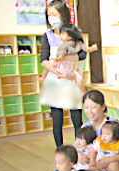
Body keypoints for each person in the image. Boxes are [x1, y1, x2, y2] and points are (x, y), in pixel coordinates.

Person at [39, 0, 85, 147]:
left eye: (54, 14)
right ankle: (60, 150)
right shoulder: (47, 36)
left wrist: (67, 58)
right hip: (55, 80)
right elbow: (43, 59)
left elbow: (83, 54)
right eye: (49, 15)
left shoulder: (74, 32)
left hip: (71, 78)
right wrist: (56, 72)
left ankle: (80, 148)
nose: (51, 18)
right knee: (57, 119)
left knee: (76, 117)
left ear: (63, 15)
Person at [81, 90, 119, 171]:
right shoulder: (85, 127)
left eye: (93, 107)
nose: (89, 111)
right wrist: (81, 156)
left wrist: (109, 160)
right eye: (86, 107)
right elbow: (79, 147)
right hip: (93, 165)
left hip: (113, 168)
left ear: (103, 107)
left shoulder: (113, 125)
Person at [41, 23, 97, 94]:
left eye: (63, 34)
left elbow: (84, 50)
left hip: (68, 70)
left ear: (70, 36)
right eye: (60, 34)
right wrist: (92, 48)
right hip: (63, 69)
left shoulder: (70, 44)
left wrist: (92, 48)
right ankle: (43, 77)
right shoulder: (70, 45)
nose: (60, 36)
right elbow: (61, 55)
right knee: (49, 64)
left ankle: (83, 93)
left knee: (80, 80)